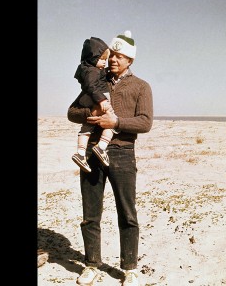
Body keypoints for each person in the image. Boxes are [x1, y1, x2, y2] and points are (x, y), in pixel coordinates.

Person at [67, 30, 153, 286]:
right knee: (90, 214)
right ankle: (92, 264)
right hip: (93, 153)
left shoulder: (141, 86)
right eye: (112, 55)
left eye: (120, 56)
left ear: (130, 60)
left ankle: (130, 269)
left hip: (123, 154)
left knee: (127, 214)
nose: (114, 60)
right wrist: (89, 113)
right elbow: (72, 112)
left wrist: (116, 121)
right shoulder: (95, 80)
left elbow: (145, 122)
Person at [71, 36, 119, 173]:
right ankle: (102, 146)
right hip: (98, 101)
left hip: (90, 101)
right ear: (92, 58)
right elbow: (92, 86)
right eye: (102, 59)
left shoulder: (88, 69)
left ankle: (80, 154)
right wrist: (102, 100)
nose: (105, 63)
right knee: (113, 122)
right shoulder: (92, 71)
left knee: (87, 127)